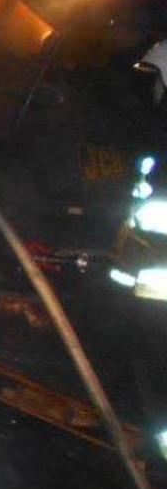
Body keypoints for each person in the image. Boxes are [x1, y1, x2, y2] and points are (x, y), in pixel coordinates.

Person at [105, 39, 167, 466]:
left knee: (157, 373)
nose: (151, 87)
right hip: (148, 279)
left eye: (156, 77)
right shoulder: (155, 130)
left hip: (158, 286)